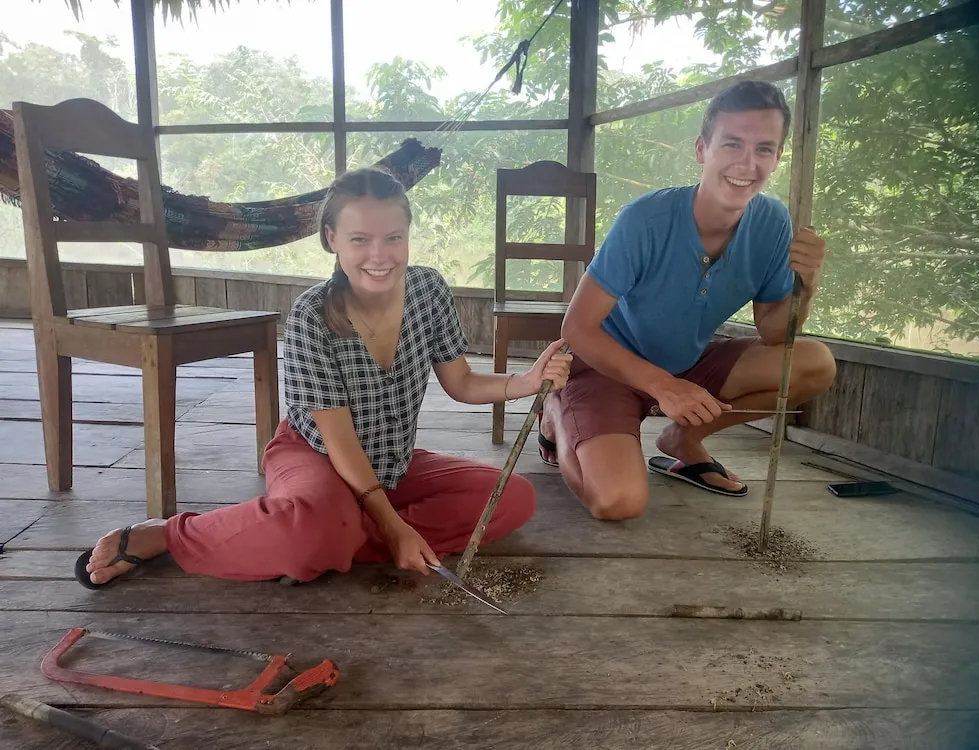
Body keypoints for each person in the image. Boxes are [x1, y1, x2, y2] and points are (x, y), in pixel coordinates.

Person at [78, 167, 572, 588]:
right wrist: (391, 524)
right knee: (317, 528)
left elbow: (461, 383)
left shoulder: (429, 290)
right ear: (332, 239)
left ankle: (333, 535)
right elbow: (338, 443)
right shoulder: (312, 316)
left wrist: (526, 382)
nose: (380, 256)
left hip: (390, 463)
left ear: (408, 236)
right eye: (360, 240)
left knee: (514, 497)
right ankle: (173, 534)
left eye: (394, 238)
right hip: (316, 454)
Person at [538, 80, 836, 520]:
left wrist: (804, 286)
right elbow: (576, 329)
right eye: (732, 144)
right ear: (702, 149)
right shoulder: (645, 219)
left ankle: (682, 440)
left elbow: (776, 334)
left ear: (776, 157)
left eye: (764, 149)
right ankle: (556, 412)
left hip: (687, 361)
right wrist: (663, 385)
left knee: (815, 362)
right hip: (604, 366)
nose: (747, 164)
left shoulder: (772, 221)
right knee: (617, 502)